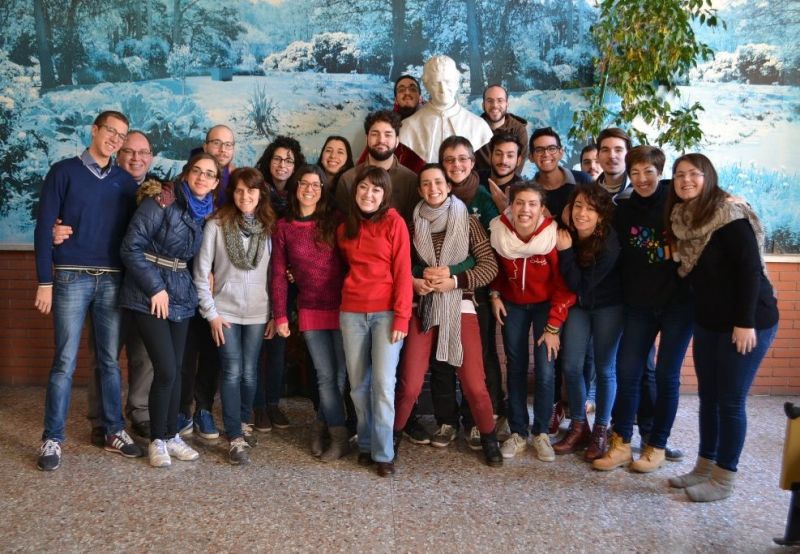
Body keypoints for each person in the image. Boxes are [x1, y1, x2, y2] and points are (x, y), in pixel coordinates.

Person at [666, 153, 779, 502]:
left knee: (730, 401)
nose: (686, 180)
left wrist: (744, 322)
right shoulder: (683, 218)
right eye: (679, 174)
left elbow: (750, 271)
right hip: (709, 320)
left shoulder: (730, 216)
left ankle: (724, 479)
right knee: (709, 398)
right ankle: (704, 468)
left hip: (747, 321)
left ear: (708, 177)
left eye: (694, 174)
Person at [34, 110, 142, 471]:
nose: (115, 139)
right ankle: (52, 438)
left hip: (112, 279)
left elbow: (138, 233)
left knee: (109, 360)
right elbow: (44, 228)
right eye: (111, 131)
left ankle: (114, 430)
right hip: (70, 276)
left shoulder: (125, 182)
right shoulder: (63, 172)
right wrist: (44, 282)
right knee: (64, 361)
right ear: (94, 130)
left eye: (121, 135)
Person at [393, 164, 503, 467]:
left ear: (448, 186)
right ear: (419, 190)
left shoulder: (467, 220)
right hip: (424, 306)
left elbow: (489, 266)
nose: (433, 188)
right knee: (410, 385)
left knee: (474, 384)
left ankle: (489, 439)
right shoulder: (411, 225)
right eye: (426, 184)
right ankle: (393, 437)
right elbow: (401, 265)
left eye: (438, 182)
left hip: (460, 303)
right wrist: (419, 276)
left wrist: (454, 278)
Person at [593, 145, 693, 472]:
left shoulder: (677, 201)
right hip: (638, 304)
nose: (642, 179)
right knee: (627, 372)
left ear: (660, 172)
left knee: (666, 375)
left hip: (678, 305)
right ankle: (621, 442)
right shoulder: (623, 210)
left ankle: (656, 445)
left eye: (648, 171)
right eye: (635, 172)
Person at [53, 130, 157, 442]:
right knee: (103, 354)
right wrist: (53, 230)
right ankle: (101, 420)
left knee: (144, 352)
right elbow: (60, 215)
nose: (136, 158)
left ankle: (139, 411)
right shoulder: (99, 184)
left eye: (143, 152)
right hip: (105, 282)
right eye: (129, 151)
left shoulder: (160, 192)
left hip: (144, 287)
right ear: (117, 154)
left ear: (151, 158)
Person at [119, 152, 220, 468]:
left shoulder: (203, 212)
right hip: (149, 292)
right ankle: (157, 441)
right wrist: (155, 288)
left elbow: (192, 254)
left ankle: (171, 434)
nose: (202, 177)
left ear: (215, 183)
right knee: (165, 369)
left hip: (180, 292)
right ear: (187, 173)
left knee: (177, 369)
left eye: (209, 174)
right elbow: (130, 247)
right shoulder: (162, 201)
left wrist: (208, 272)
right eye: (197, 171)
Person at [489, 182, 576, 461]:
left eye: (532, 204)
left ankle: (541, 432)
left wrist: (553, 326)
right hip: (513, 304)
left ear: (542, 209)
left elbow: (565, 285)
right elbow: (495, 269)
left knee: (545, 369)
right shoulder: (500, 231)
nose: (525, 209)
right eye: (519, 203)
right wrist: (494, 294)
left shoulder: (553, 236)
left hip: (545, 308)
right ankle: (518, 432)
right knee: (515, 367)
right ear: (511, 206)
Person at [193, 167, 275, 465]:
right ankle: (234, 436)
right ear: (232, 193)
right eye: (239, 190)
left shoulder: (269, 227)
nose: (245, 196)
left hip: (258, 312)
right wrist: (211, 313)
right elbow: (201, 272)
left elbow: (275, 275)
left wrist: (274, 313)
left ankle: (242, 421)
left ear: (260, 193)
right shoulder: (216, 224)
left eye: (251, 190)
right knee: (231, 370)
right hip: (224, 312)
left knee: (250, 372)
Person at [337, 165, 412, 477]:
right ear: (355, 191)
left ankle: (383, 453)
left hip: (387, 314)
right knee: (358, 385)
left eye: (376, 189)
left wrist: (402, 318)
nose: (369, 194)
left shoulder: (395, 223)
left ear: (385, 195)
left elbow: (403, 272)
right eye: (363, 187)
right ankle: (366, 444)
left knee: (383, 384)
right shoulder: (345, 228)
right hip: (351, 312)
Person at [271, 165, 350, 462]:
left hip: (343, 307)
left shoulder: (336, 220)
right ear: (296, 188)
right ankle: (338, 435)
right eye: (304, 183)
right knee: (325, 375)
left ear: (323, 190)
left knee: (340, 376)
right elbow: (278, 274)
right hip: (309, 308)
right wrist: (280, 315)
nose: (310, 189)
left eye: (316, 185)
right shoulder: (284, 227)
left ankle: (321, 426)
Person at [436, 136, 506, 449]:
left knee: (480, 358)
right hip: (440, 293)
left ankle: (477, 420)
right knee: (442, 358)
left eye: (462, 158)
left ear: (473, 162)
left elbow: (493, 249)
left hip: (478, 289)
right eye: (449, 160)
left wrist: (492, 291)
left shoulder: (483, 197)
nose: (456, 165)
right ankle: (446, 420)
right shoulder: (434, 192)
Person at [553, 184, 623, 460]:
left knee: (605, 368)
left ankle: (601, 429)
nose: (582, 213)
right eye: (578, 206)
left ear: (601, 215)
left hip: (609, 306)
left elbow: (579, 284)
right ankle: (579, 425)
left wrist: (566, 253)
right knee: (571, 365)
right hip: (580, 306)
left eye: (590, 209)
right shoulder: (567, 232)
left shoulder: (609, 243)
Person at [252, 135, 308, 430]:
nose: (282, 164)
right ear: (268, 161)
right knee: (257, 344)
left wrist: (295, 270)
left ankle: (273, 403)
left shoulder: (300, 197)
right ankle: (257, 405)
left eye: (289, 160)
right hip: (255, 278)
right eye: (277, 158)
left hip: (285, 281)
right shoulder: (256, 192)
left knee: (277, 344)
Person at [399, 55, 493, 163]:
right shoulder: (408, 127)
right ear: (426, 85)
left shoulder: (479, 126)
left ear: (457, 82)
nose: (443, 89)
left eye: (448, 82)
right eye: (436, 83)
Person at [336, 110, 419, 222]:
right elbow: (342, 224)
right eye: (375, 134)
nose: (381, 140)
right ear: (367, 139)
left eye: (388, 135)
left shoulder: (411, 181)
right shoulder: (348, 179)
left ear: (397, 141)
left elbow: (412, 225)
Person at [355, 74, 426, 173]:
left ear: (420, 98)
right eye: (401, 90)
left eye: (413, 89)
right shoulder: (386, 123)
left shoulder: (430, 123)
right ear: (396, 100)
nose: (407, 92)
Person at [529, 127, 593, 226]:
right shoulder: (527, 192)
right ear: (531, 157)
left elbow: (599, 217)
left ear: (561, 153)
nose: (546, 154)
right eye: (539, 150)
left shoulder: (583, 180)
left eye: (552, 148)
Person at [475, 84, 528, 174]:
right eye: (490, 101)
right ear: (483, 105)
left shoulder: (519, 130)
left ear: (507, 104)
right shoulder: (474, 128)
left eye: (500, 100)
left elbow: (517, 169)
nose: (495, 105)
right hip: (479, 181)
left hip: (510, 182)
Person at [595, 128, 633, 202]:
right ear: (597, 156)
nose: (611, 156)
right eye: (605, 150)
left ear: (629, 155)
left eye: (618, 150)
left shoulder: (641, 190)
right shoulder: (590, 194)